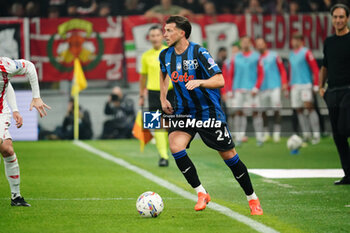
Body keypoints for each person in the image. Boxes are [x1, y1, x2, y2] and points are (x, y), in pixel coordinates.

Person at [159, 16, 263, 215]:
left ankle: (252, 198)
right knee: (175, 145)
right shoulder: (165, 55)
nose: (165, 34)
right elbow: (163, 73)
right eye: (165, 30)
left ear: (182, 33)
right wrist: (164, 97)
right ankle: (201, 193)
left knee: (229, 156)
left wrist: (200, 82)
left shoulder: (199, 52)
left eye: (169, 30)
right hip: (184, 112)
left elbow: (220, 80)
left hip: (208, 112)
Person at [0, 57, 51, 206]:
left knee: (8, 150)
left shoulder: (5, 66)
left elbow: (27, 67)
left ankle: (16, 197)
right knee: (6, 148)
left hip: (1, 111)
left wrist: (35, 97)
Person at [320, 4, 350, 185]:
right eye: (335, 17)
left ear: (347, 18)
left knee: (345, 128)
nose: (338, 20)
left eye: (341, 17)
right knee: (338, 136)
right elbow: (325, 66)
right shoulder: (329, 42)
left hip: (348, 90)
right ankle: (348, 174)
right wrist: (320, 87)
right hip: (333, 91)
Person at [139, 25, 174, 167]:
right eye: (152, 35)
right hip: (153, 93)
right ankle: (163, 156)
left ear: (162, 36)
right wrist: (141, 94)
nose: (154, 38)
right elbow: (143, 77)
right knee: (157, 126)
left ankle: (171, 151)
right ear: (149, 38)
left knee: (171, 125)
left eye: (157, 35)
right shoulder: (145, 56)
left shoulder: (170, 52)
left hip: (171, 92)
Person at [224, 36, 264, 146]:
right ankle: (239, 137)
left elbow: (261, 74)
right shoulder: (235, 58)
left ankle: (260, 138)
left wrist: (257, 87)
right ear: (241, 44)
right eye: (243, 42)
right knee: (238, 113)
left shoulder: (257, 57)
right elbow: (230, 75)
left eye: (247, 42)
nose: (245, 44)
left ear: (250, 43)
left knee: (256, 113)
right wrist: (229, 90)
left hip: (252, 90)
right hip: (238, 90)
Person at [254, 37, 288, 142]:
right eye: (257, 44)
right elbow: (257, 75)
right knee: (263, 111)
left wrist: (284, 83)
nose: (259, 46)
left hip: (275, 87)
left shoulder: (274, 55)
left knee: (276, 109)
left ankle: (277, 133)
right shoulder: (257, 58)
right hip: (263, 88)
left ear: (265, 44)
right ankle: (266, 133)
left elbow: (282, 70)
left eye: (261, 43)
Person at [289, 32, 320, 144]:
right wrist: (290, 85)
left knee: (309, 108)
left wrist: (316, 84)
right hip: (295, 86)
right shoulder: (291, 54)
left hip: (305, 84)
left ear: (301, 41)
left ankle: (316, 134)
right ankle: (306, 134)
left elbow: (315, 69)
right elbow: (292, 71)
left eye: (296, 40)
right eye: (293, 40)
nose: (294, 42)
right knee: (299, 110)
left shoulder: (306, 52)